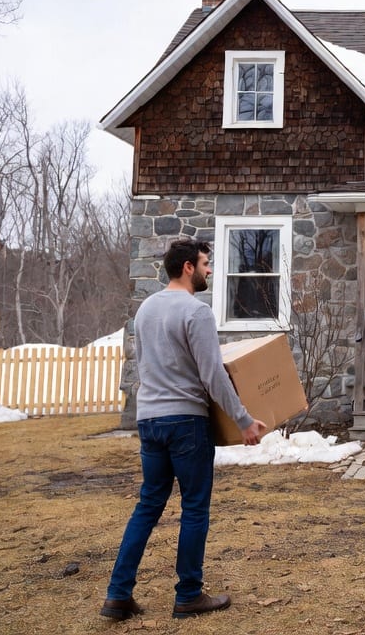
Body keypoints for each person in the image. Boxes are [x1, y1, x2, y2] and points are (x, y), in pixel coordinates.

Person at [100, 238, 266, 621]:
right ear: (188, 267)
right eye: (206, 263)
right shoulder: (196, 311)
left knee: (148, 506)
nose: (210, 270)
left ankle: (117, 595)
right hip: (186, 422)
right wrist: (244, 420)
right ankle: (189, 595)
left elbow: (145, 366)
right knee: (194, 508)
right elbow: (213, 376)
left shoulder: (145, 310)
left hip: (149, 420)